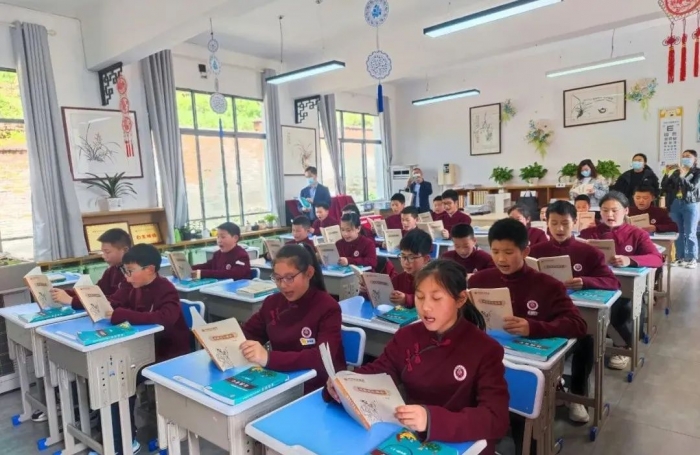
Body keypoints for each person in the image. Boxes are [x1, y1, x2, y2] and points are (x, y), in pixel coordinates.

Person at [325, 260, 510, 455]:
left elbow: (496, 418)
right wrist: (343, 382)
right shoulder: (407, 336)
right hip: (410, 438)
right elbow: (378, 371)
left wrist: (430, 419)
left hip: (462, 444)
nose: (426, 307)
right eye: (420, 297)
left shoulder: (485, 349)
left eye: (436, 298)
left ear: (460, 299)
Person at [469, 219, 586, 455]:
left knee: (521, 416)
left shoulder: (548, 285)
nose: (501, 259)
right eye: (495, 251)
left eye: (509, 252)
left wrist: (533, 327)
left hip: (526, 364)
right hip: (486, 360)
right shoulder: (479, 280)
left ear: (525, 251)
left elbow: (578, 325)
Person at [529, 201, 620, 423]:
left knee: (586, 341)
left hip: (577, 315)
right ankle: (549, 389)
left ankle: (578, 396)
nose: (559, 229)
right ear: (546, 223)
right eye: (554, 223)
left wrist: (585, 281)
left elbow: (613, 282)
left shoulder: (588, 251)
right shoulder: (535, 252)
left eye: (565, 223)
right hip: (543, 313)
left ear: (575, 222)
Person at [105, 244, 190, 455]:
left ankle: (123, 441)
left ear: (150, 269)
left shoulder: (166, 289)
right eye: (125, 271)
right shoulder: (131, 285)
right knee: (109, 374)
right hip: (142, 349)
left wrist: (123, 314)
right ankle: (114, 434)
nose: (127, 277)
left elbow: (165, 318)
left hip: (168, 353)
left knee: (122, 378)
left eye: (130, 271)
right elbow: (113, 303)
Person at [242, 244, 345, 394]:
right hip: (281, 380)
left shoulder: (328, 307)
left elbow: (322, 358)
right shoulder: (272, 303)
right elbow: (248, 333)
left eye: (289, 278)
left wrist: (268, 358)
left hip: (320, 387)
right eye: (277, 278)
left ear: (309, 273)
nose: (283, 285)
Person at [579, 191, 663, 370]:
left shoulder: (637, 234)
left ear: (626, 211)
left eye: (614, 210)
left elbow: (657, 258)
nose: (609, 215)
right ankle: (585, 343)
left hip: (623, 288)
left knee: (621, 308)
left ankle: (623, 346)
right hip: (593, 284)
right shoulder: (589, 233)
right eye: (604, 210)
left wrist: (629, 260)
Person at [51, 228, 132, 310]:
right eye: (103, 252)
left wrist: (71, 300)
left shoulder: (132, 274)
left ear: (125, 250)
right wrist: (66, 293)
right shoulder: (113, 269)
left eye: (107, 252)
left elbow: (115, 302)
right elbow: (97, 291)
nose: (103, 256)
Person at [362, 229, 433, 309]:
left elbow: (430, 301)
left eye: (411, 257)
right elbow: (383, 297)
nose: (406, 262)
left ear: (426, 259)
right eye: (403, 256)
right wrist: (368, 291)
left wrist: (407, 299)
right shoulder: (399, 279)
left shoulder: (433, 280)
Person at [661, 150, 700, 268]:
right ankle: (680, 257)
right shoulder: (676, 172)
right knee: (678, 232)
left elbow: (692, 188)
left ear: (695, 159)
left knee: (690, 232)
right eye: (683, 156)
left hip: (690, 203)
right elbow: (665, 186)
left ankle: (692, 258)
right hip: (675, 203)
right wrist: (666, 172)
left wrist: (683, 176)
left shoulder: (697, 172)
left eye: (688, 156)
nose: (685, 158)